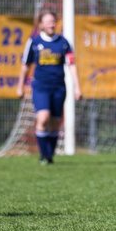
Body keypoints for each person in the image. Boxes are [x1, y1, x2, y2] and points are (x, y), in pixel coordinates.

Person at [17, 10, 81, 164]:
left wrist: (77, 87)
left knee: (54, 122)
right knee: (43, 117)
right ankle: (43, 155)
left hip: (59, 87)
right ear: (41, 24)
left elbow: (72, 65)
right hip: (40, 87)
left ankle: (49, 155)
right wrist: (20, 86)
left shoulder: (64, 42)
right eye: (47, 21)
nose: (51, 24)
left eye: (53, 21)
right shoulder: (34, 42)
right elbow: (25, 66)